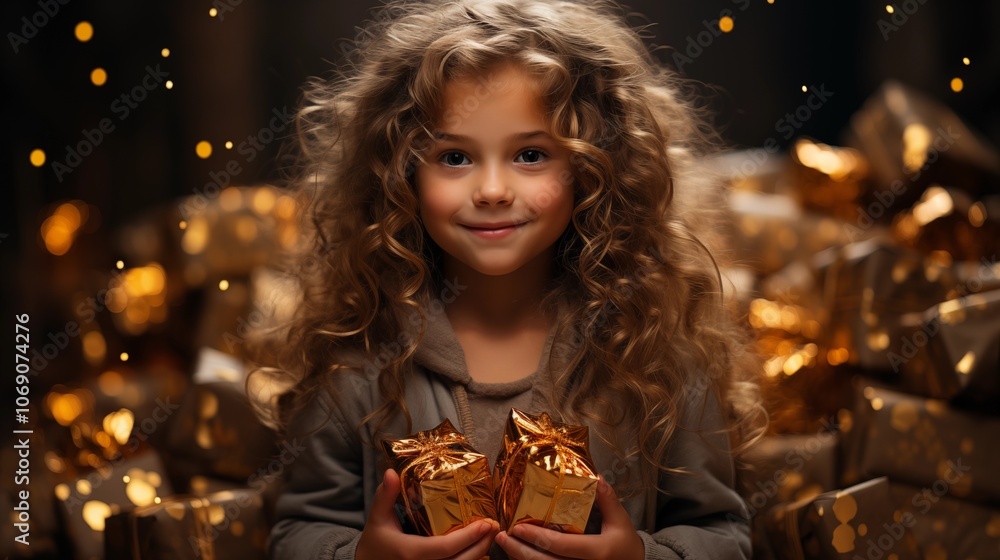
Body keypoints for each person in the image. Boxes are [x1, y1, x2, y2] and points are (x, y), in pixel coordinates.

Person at [259, 1, 767, 558]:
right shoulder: (356, 358)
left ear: (595, 166)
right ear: (400, 173)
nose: (493, 189)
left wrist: (640, 556)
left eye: (530, 154)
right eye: (454, 157)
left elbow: (722, 534)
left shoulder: (654, 352)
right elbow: (297, 530)